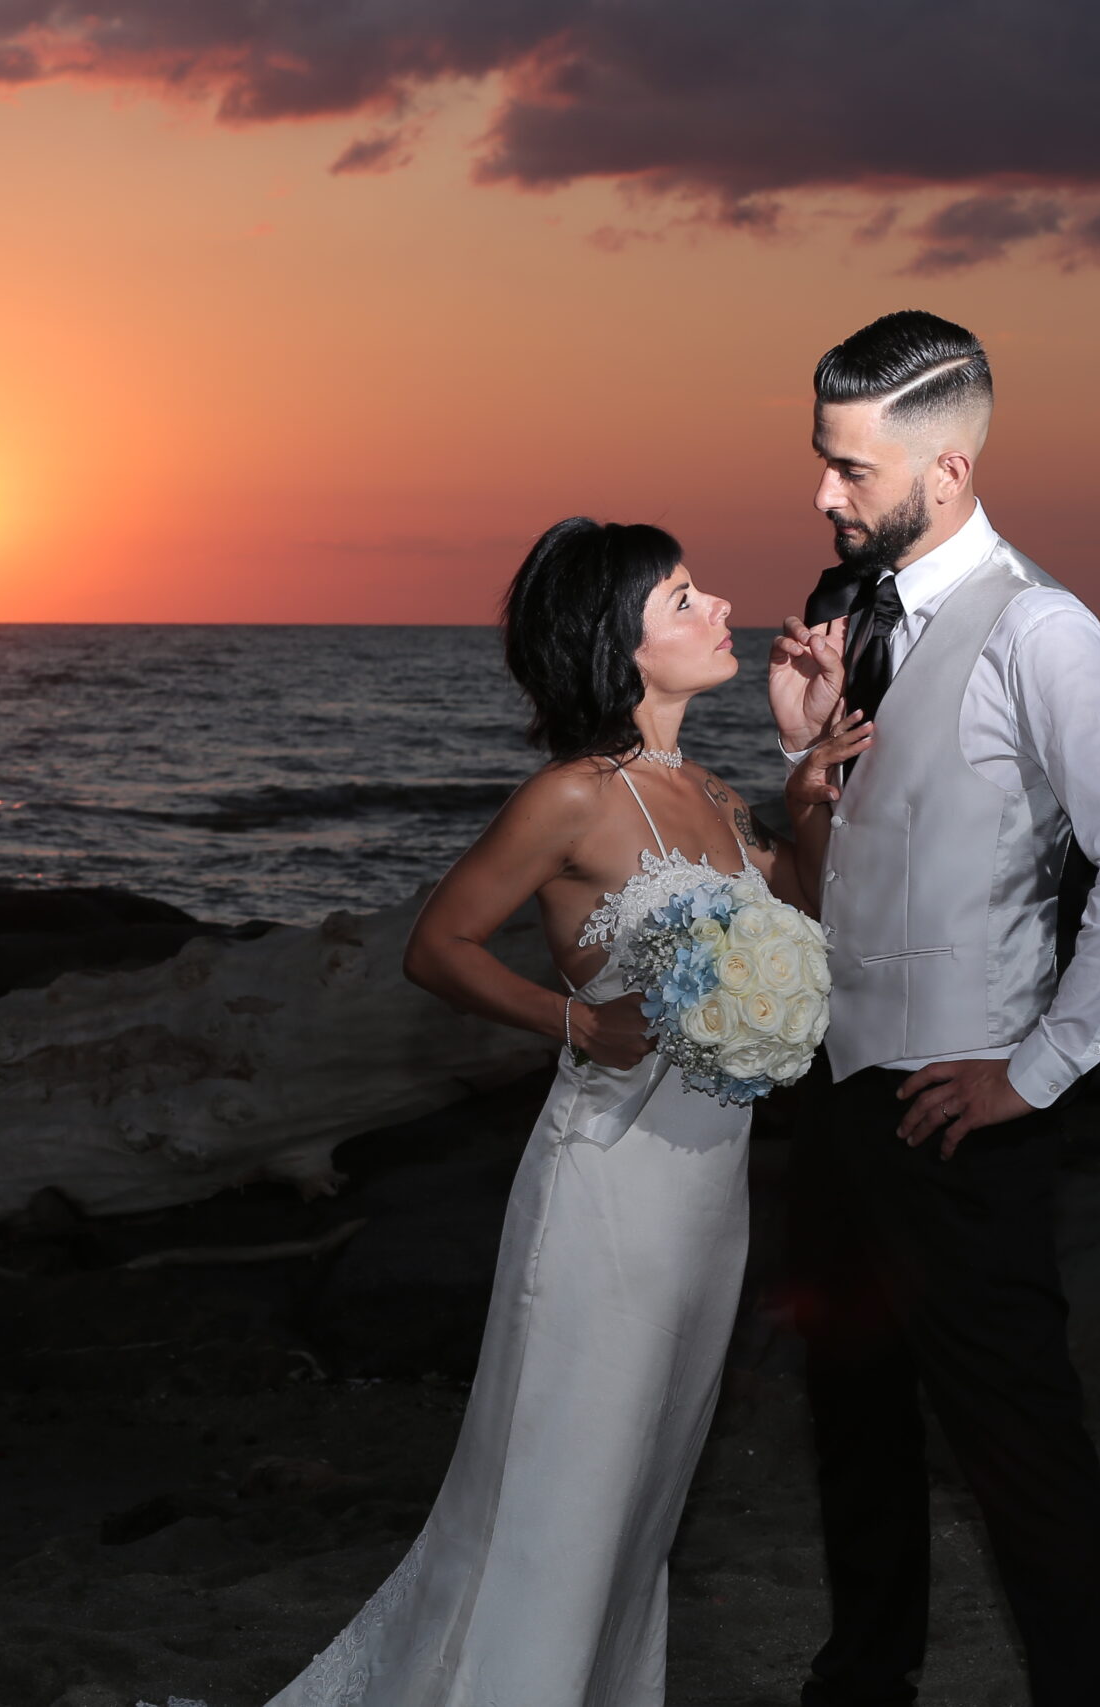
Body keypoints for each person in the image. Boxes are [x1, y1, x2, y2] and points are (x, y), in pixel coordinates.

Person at [263, 516, 868, 1706]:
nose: (718, 609)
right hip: (606, 1187)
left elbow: (804, 925)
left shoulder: (711, 789)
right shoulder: (570, 799)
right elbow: (437, 947)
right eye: (682, 598)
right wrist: (575, 1023)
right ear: (620, 643)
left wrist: (807, 782)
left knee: (644, 1490)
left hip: (709, 1194)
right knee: (567, 1483)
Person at [764, 310, 1100, 1707]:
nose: (824, 494)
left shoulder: (1043, 628)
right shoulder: (846, 614)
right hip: (836, 1090)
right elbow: (864, 860)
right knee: (853, 1412)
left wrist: (1041, 1066)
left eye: (850, 468)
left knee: (1016, 1439)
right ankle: (863, 1676)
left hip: (961, 1111)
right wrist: (799, 758)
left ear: (944, 470)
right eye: (822, 463)